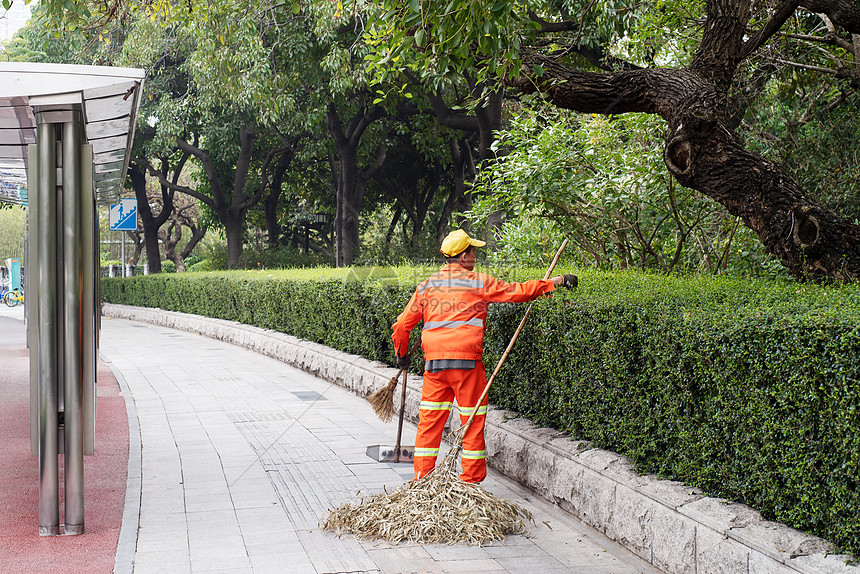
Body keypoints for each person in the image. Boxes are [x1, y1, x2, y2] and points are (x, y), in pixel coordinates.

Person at [391, 229, 577, 483]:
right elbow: (517, 292)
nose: (475, 257)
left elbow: (402, 326)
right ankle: (470, 483)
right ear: (464, 256)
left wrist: (402, 355)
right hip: (467, 365)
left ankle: (422, 481)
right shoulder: (479, 282)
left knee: (430, 424)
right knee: (472, 422)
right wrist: (555, 282)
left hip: (434, 367)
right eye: (473, 252)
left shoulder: (427, 286)